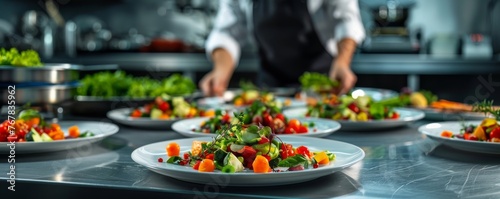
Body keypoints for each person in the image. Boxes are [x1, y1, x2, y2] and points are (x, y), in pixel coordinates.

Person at [200, 0, 366, 96]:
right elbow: (227, 32)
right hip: (269, 89)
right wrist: (220, 71)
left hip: (322, 87)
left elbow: (347, 20)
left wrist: (342, 62)